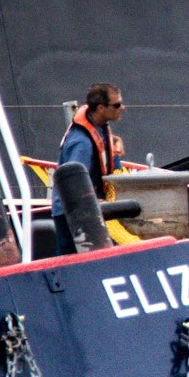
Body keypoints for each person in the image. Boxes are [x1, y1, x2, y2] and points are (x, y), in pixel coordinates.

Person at [52, 82, 124, 256]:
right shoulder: (81, 143)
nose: (122, 107)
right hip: (72, 214)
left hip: (87, 209)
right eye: (117, 105)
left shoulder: (99, 127)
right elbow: (74, 183)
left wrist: (114, 143)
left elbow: (102, 148)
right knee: (72, 260)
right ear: (101, 108)